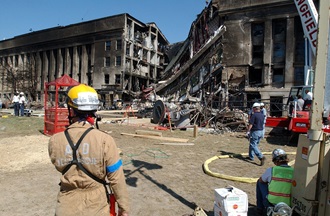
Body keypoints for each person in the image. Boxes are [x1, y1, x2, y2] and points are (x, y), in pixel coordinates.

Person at [48, 84, 129, 216]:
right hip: (96, 207)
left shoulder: (55, 141)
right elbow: (116, 178)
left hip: (66, 207)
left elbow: (58, 164)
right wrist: (123, 208)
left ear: (72, 111)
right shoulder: (105, 140)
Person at [256, 149, 294, 216]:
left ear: (275, 161)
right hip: (288, 203)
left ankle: (260, 209)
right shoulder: (293, 171)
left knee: (259, 182)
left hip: (272, 202)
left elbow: (262, 180)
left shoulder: (272, 170)